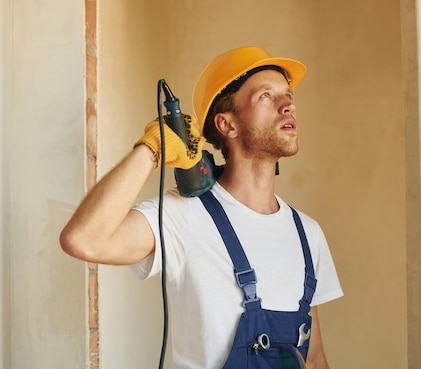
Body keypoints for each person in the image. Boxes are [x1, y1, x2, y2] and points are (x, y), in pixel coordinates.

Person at [60, 46, 343, 369]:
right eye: (266, 96)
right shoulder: (183, 216)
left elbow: (315, 359)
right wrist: (151, 149)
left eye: (287, 94)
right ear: (227, 125)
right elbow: (84, 239)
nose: (288, 105)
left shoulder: (307, 233)